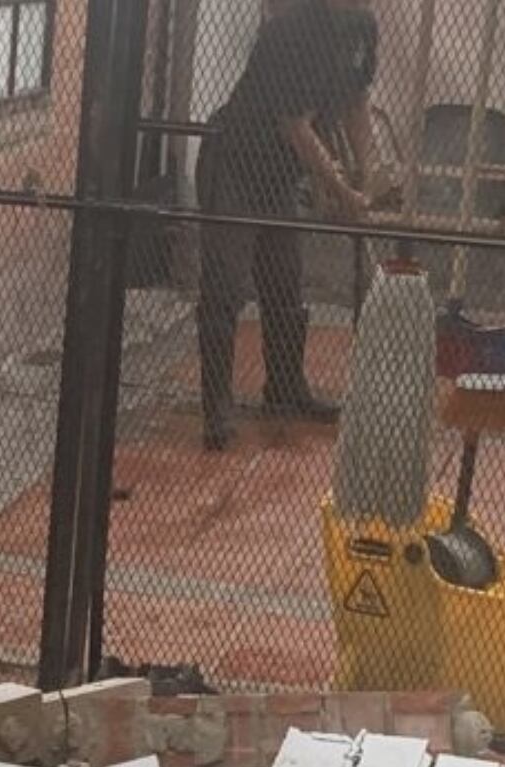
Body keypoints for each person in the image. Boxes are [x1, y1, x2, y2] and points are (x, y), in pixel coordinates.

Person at [196, 0, 378, 447]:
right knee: (226, 287)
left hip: (278, 175)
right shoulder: (290, 32)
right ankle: (216, 410)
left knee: (284, 284)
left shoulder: (361, 28)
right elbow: (295, 126)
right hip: (236, 162)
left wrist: (369, 174)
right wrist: (340, 191)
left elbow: (356, 102)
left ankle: (285, 388)